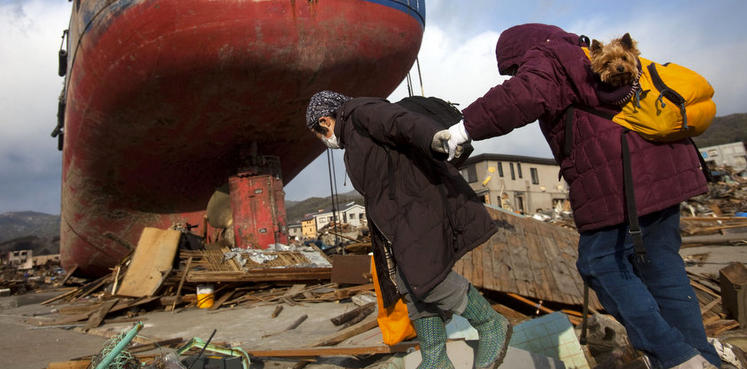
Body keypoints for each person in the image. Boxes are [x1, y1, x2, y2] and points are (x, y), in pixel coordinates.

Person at [443, 23, 720, 369]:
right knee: (663, 270)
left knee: (600, 263)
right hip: (666, 171)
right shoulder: (584, 52)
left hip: (621, 181)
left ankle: (675, 357)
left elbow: (523, 94)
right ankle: (702, 360)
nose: (516, 73)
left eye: (513, 68)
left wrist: (463, 127)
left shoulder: (549, 55)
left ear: (519, 53)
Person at [305, 90, 511, 369]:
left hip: (415, 206)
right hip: (396, 220)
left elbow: (398, 121)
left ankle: (490, 323)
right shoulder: (353, 138)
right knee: (409, 285)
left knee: (430, 278)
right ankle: (435, 358)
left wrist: (433, 137)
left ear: (325, 120)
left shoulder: (361, 112)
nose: (321, 139)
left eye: (319, 131)